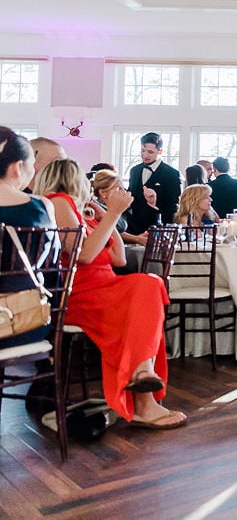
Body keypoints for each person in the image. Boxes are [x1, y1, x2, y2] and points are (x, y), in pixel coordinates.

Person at [35, 158, 186, 429]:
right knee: (147, 287)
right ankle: (143, 396)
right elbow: (85, 255)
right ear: (75, 180)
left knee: (149, 285)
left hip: (105, 287)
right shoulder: (58, 200)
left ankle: (143, 381)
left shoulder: (81, 213)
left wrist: (106, 217)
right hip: (83, 292)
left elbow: (117, 259)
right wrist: (114, 213)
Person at [0, 127, 57, 351]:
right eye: (32, 165)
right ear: (17, 167)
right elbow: (52, 267)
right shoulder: (41, 207)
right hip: (22, 321)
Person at [125, 132, 181, 234]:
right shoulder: (134, 170)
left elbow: (173, 207)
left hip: (158, 228)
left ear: (160, 151)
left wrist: (154, 205)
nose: (145, 155)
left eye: (150, 152)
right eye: (142, 151)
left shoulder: (171, 174)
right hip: (134, 229)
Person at [91, 169, 148, 246]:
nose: (124, 192)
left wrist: (138, 238)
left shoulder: (113, 208)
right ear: (103, 192)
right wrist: (137, 239)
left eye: (123, 189)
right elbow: (110, 232)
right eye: (119, 189)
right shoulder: (96, 209)